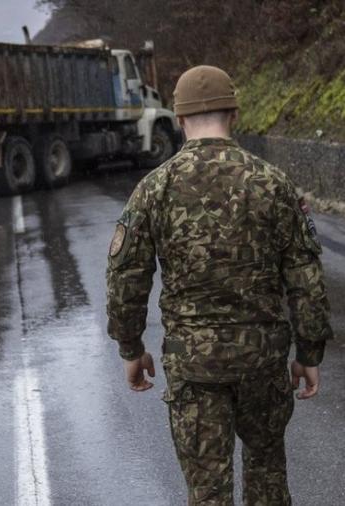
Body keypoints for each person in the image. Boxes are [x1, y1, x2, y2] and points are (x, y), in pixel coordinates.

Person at [106, 65, 332, 505]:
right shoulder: (273, 183)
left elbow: (125, 275)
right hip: (262, 362)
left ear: (180, 118)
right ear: (234, 113)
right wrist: (308, 353)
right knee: (268, 476)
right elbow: (305, 276)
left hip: (194, 368)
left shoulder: (155, 188)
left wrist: (131, 348)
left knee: (207, 492)